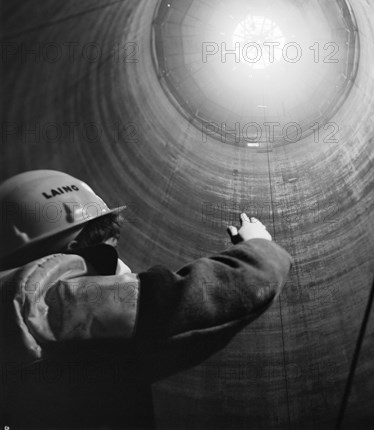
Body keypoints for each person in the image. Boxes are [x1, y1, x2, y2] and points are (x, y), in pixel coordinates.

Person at [0, 169, 292, 429]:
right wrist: (258, 249)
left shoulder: (15, 311)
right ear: (75, 250)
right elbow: (186, 303)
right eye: (108, 254)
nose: (123, 270)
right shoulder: (56, 303)